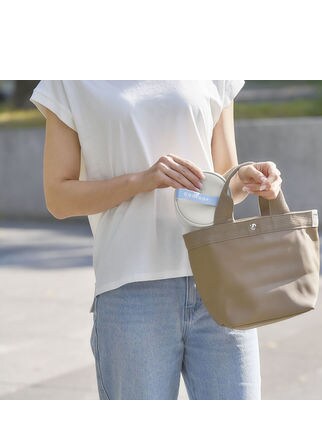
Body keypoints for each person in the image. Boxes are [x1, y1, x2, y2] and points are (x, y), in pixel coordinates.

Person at [29, 80, 282, 400]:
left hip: (218, 281)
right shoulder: (69, 81)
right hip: (132, 293)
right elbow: (59, 198)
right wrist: (141, 181)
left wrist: (247, 178)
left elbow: (223, 178)